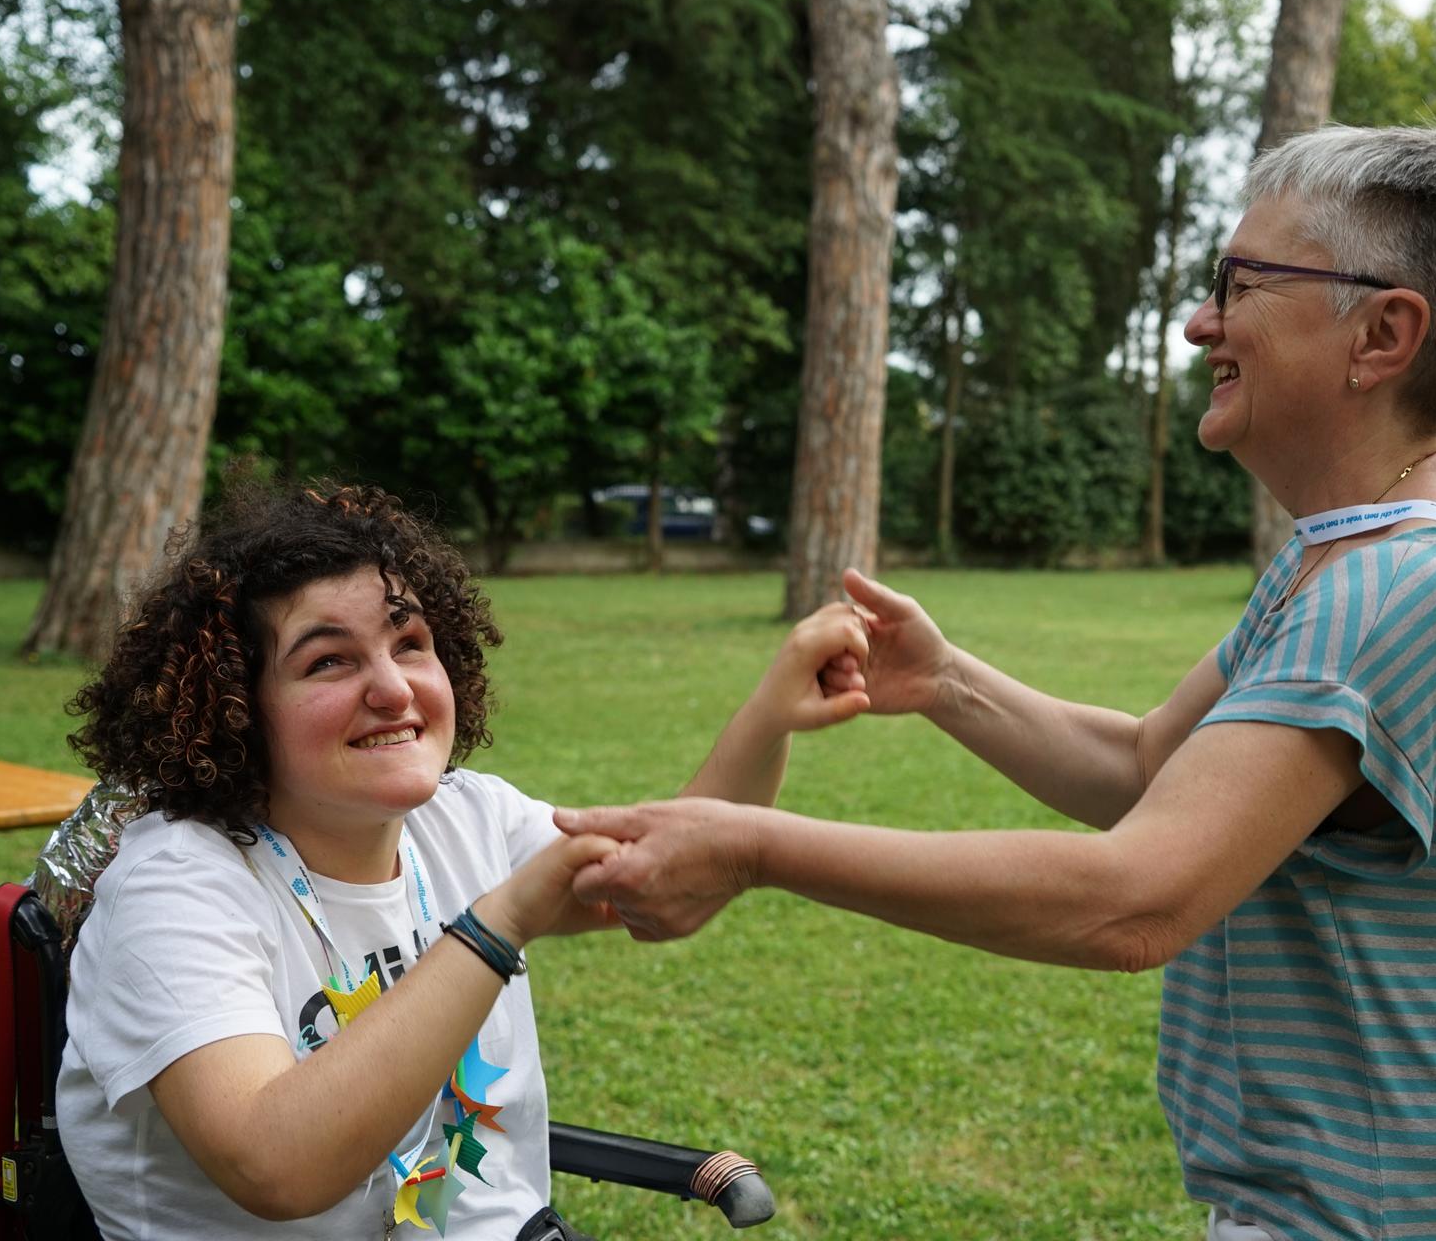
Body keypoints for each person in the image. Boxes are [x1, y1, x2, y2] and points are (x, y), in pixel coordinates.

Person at [558, 124, 1436, 1241]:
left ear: (1381, 334)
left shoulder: (1397, 589)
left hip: (1384, 1214)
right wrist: (945, 682)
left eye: (1240, 285)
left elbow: (1133, 901)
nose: (1201, 323)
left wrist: (754, 846)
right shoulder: (1382, 539)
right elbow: (1151, 765)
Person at [54, 479, 865, 1241]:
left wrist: (770, 717)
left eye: (409, 643)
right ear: (233, 707)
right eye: (327, 660)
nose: (394, 689)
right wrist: (499, 922)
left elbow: (671, 872)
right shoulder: (176, 888)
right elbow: (275, 1165)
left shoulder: (466, 815)